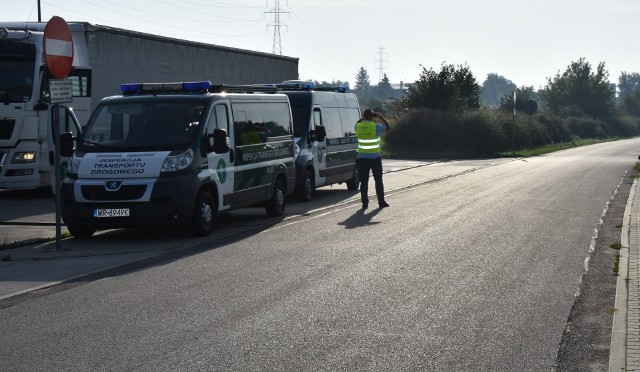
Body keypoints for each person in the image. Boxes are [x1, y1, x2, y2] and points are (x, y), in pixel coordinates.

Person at [355, 108, 390, 209]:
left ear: (363, 116)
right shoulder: (376, 127)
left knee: (364, 182)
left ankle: (365, 203)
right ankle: (381, 202)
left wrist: (363, 118)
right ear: (372, 116)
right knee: (378, 180)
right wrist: (380, 117)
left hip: (362, 158)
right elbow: (388, 126)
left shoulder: (358, 126)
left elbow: (357, 123)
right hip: (375, 157)